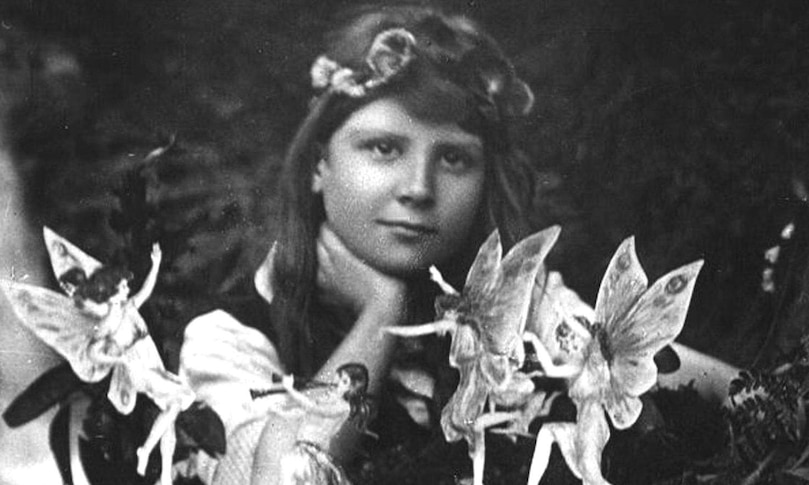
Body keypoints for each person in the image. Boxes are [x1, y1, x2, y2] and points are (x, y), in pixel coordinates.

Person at [178, 4, 737, 484]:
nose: (419, 189)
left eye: (453, 158)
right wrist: (379, 315)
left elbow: (703, 381)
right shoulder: (232, 337)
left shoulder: (523, 308)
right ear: (320, 164)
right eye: (383, 149)